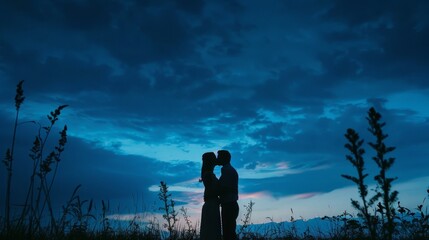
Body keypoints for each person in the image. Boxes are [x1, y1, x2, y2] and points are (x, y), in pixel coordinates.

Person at [217, 150, 239, 240]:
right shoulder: (230, 169)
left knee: (228, 234)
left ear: (223, 158)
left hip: (229, 205)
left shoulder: (226, 169)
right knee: (230, 232)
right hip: (231, 204)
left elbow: (224, 188)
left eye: (219, 157)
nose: (217, 159)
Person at [200, 152, 221, 240]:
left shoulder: (207, 174)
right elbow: (213, 190)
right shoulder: (208, 175)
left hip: (212, 204)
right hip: (211, 204)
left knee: (210, 231)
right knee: (211, 231)